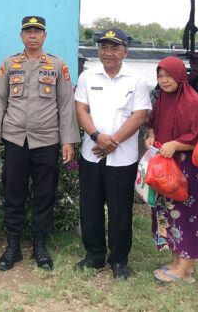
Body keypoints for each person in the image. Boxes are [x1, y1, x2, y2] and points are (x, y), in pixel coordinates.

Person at [0, 16, 79, 271]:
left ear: (45, 36)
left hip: (47, 140)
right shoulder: (9, 64)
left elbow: (66, 105)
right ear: (21, 36)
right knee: (13, 192)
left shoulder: (58, 66)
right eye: (28, 32)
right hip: (15, 138)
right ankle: (12, 246)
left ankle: (40, 245)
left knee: (44, 194)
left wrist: (68, 140)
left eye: (37, 32)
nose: (33, 36)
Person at [74, 28, 150, 279]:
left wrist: (113, 140)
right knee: (90, 206)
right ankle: (94, 255)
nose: (108, 52)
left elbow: (140, 116)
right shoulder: (87, 76)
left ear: (125, 52)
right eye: (104, 47)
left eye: (114, 48)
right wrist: (97, 137)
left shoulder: (136, 80)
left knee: (120, 210)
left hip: (123, 156)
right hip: (91, 153)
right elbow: (81, 109)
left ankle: (119, 260)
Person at [146, 56, 198, 283]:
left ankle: (186, 269)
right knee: (168, 212)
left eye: (169, 76)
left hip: (188, 167)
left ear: (180, 76)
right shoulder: (162, 100)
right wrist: (151, 137)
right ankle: (176, 261)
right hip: (165, 165)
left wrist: (175, 144)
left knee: (188, 214)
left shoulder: (193, 103)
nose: (164, 81)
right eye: (160, 76)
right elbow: (152, 124)